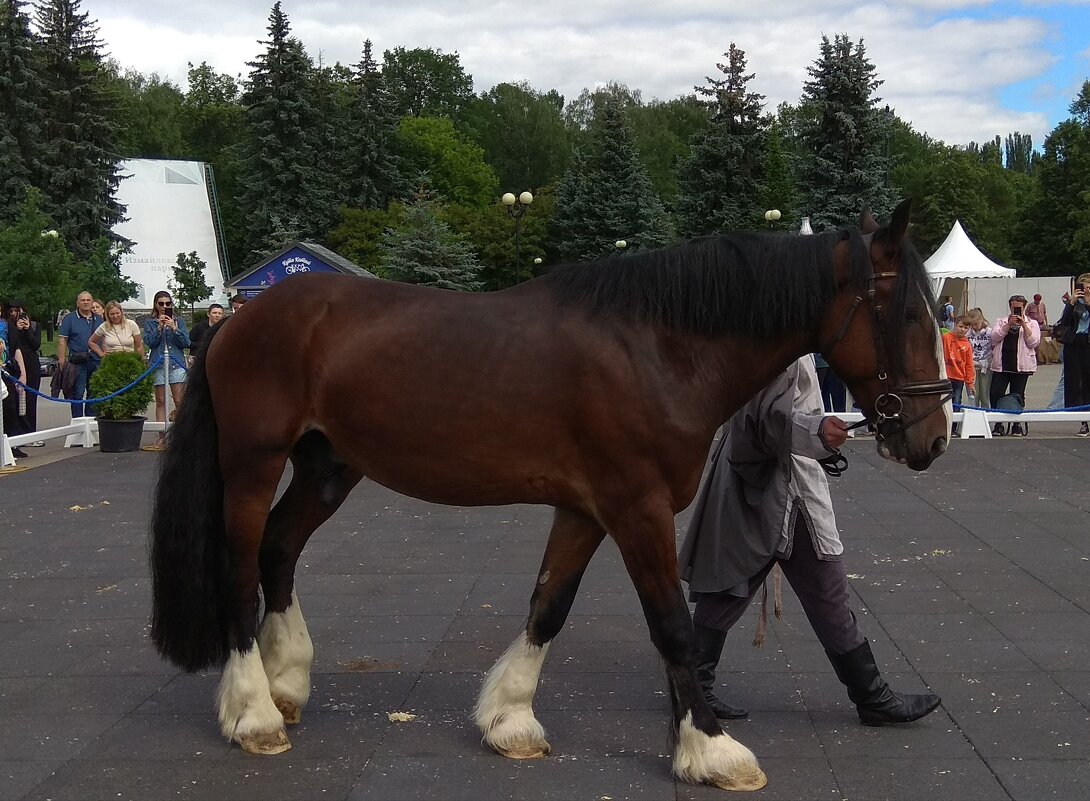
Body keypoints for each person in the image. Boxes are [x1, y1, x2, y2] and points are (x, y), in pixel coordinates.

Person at [678, 356, 941, 726]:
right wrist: (817, 432)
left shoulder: (777, 330)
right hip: (780, 485)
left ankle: (692, 688)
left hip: (769, 481)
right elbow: (761, 417)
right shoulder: (776, 334)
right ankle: (872, 697)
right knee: (808, 590)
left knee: (736, 585)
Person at [142, 291, 190, 448]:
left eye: (167, 304)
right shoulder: (150, 323)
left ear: (171, 304)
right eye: (161, 303)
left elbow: (186, 342)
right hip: (159, 364)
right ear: (156, 305)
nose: (164, 307)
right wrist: (160, 328)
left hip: (176, 363)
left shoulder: (179, 321)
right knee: (161, 401)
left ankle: (183, 436)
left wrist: (175, 328)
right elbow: (150, 342)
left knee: (179, 400)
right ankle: (162, 436)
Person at [988, 295, 1040, 437]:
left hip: (1022, 365)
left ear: (1024, 307)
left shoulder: (1032, 323)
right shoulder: (1001, 321)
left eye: (1019, 308)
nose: (1015, 310)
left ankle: (1016, 424)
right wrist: (1008, 325)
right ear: (1010, 307)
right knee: (995, 393)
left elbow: (1033, 342)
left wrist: (1023, 324)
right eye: (1013, 307)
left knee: (1017, 395)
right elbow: (993, 338)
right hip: (1002, 364)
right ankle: (998, 424)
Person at [2, 301, 43, 455]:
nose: (14, 314)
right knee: (14, 401)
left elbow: (35, 345)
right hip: (14, 365)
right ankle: (17, 434)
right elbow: (13, 346)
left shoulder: (34, 326)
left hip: (31, 364)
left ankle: (31, 432)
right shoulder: (8, 327)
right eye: (11, 311)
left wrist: (26, 330)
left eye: (17, 311)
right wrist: (17, 330)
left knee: (30, 399)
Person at [1053, 273, 1090, 437]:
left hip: (1088, 343)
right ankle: (1083, 422)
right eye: (1083, 287)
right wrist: (1072, 302)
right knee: (1076, 383)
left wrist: (1088, 304)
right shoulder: (1073, 303)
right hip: (1074, 344)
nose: (1086, 290)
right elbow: (1065, 321)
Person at [57, 291, 104, 418]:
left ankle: (91, 421)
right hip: (77, 362)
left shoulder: (98, 319)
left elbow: (104, 338)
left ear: (92, 301)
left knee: (94, 393)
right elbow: (62, 340)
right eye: (83, 300)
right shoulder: (69, 319)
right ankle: (78, 424)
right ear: (78, 303)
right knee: (77, 394)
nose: (86, 302)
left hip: (96, 361)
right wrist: (61, 361)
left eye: (88, 300)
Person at [943, 314, 975, 436]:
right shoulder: (946, 338)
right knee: (943, 403)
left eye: (966, 328)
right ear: (955, 325)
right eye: (960, 326)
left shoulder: (967, 345)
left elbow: (969, 365)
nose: (962, 330)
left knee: (956, 402)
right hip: (946, 377)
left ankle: (953, 428)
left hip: (959, 378)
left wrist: (970, 383)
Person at [966, 308, 992, 410]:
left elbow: (994, 346)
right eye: (971, 324)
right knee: (973, 395)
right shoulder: (967, 333)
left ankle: (986, 416)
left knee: (985, 395)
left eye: (976, 324)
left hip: (986, 366)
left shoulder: (990, 332)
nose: (974, 326)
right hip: (972, 366)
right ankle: (974, 416)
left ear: (981, 320)